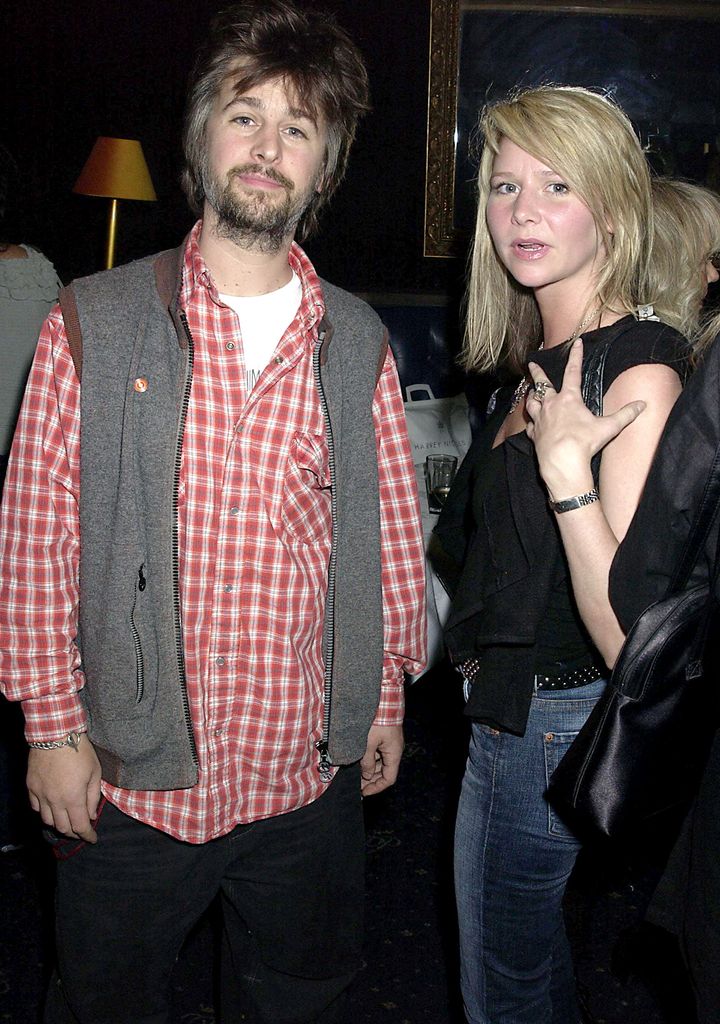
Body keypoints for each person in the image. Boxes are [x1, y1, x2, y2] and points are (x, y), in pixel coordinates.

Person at [0, 3, 426, 1022]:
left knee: (299, 1001)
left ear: (324, 168)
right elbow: (35, 542)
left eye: (298, 127)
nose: (268, 146)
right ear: (201, 138)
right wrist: (51, 728)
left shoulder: (358, 340)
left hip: (302, 782)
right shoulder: (89, 323)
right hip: (132, 780)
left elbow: (385, 537)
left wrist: (383, 697)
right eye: (245, 116)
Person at [432, 86, 688, 1024]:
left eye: (557, 183)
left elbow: (627, 635)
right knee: (519, 968)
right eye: (503, 186)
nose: (522, 211)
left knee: (503, 985)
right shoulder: (537, 358)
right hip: (505, 710)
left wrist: (569, 470)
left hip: (554, 716)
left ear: (613, 211)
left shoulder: (637, 366)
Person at [528, 178, 720, 1023]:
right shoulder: (638, 359)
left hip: (608, 698)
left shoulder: (654, 370)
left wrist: (567, 480)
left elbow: (631, 621)